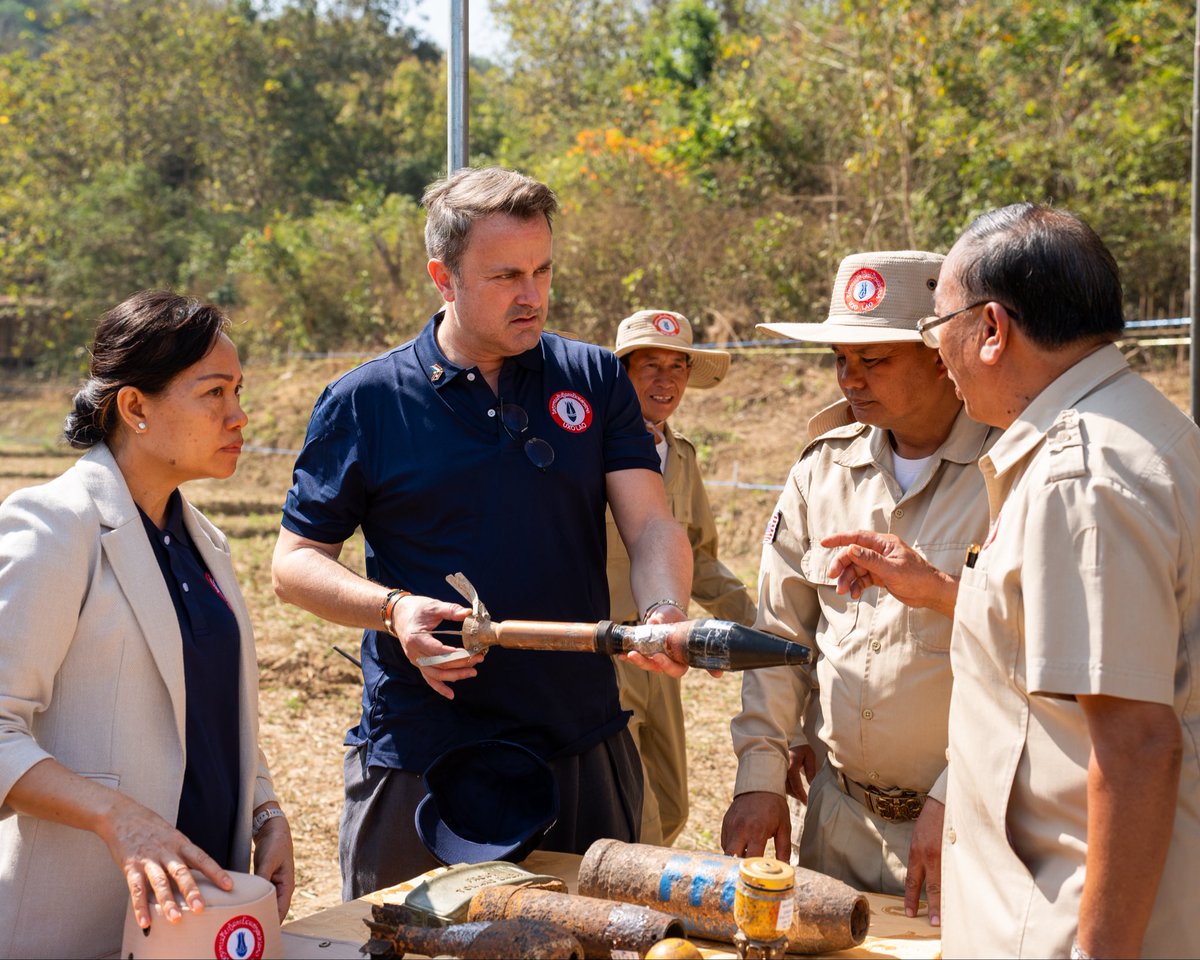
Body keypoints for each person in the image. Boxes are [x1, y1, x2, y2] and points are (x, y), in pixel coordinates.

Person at [271, 166, 693, 898]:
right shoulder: (367, 401)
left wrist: (662, 610)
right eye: (506, 277)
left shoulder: (594, 378)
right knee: (408, 943)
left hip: (578, 741)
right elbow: (294, 563)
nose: (533, 295)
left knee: (596, 939)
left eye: (542, 270)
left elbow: (652, 522)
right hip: (422, 756)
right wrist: (393, 609)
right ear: (443, 277)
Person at [823, 204, 1200, 957]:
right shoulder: (1140, 430)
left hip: (1064, 922)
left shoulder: (1079, 477)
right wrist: (940, 589)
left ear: (991, 329)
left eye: (937, 327)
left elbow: (1136, 747)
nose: (939, 354)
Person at [0, 290, 294, 959]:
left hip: (200, 921)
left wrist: (266, 812)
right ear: (135, 407)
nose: (239, 415)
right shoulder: (54, 527)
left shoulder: (206, 542)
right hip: (75, 927)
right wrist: (117, 818)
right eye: (214, 393)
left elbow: (210, 708)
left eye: (238, 391)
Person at [720, 251, 997, 927]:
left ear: (941, 356)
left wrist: (958, 794)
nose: (850, 378)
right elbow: (777, 639)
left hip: (964, 829)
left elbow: (1021, 659)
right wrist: (759, 778)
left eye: (874, 359)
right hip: (837, 821)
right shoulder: (821, 472)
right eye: (841, 359)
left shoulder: (1007, 474)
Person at [606, 309, 757, 846]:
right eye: (650, 365)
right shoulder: (588, 452)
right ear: (622, 372)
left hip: (664, 648)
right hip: (606, 651)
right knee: (634, 811)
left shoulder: (682, 456)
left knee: (671, 807)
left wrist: (759, 622)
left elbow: (700, 557)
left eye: (677, 367)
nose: (664, 380)